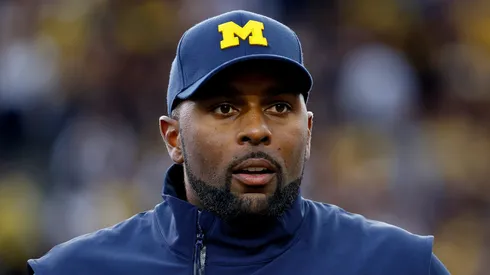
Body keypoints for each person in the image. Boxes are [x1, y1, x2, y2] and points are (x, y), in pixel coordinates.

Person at [27, 10, 450, 275]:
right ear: (173, 138)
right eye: (225, 108)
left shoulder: (396, 264)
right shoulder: (77, 270)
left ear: (309, 131)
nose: (256, 129)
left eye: (280, 107)